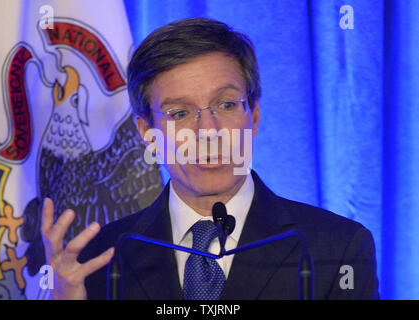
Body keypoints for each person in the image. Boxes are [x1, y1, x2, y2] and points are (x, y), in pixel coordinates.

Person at [41, 17, 380, 300]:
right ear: (148, 133)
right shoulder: (99, 258)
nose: (208, 131)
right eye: (180, 113)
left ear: (255, 115)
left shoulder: (338, 250)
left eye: (227, 105)